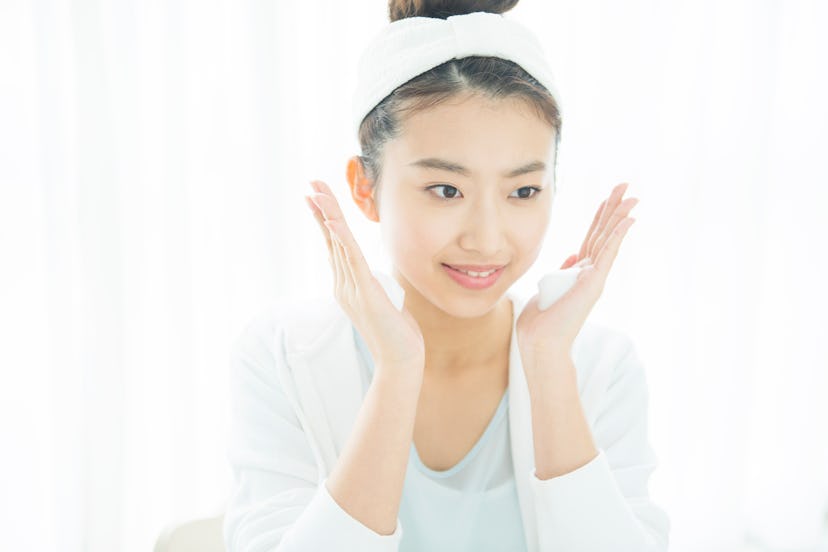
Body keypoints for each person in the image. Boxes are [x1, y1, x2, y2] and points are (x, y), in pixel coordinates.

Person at [222, 1, 670, 551]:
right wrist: (397, 370)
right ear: (366, 187)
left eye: (523, 191)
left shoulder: (600, 368)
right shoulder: (283, 357)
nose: (486, 238)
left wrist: (548, 364)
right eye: (446, 190)